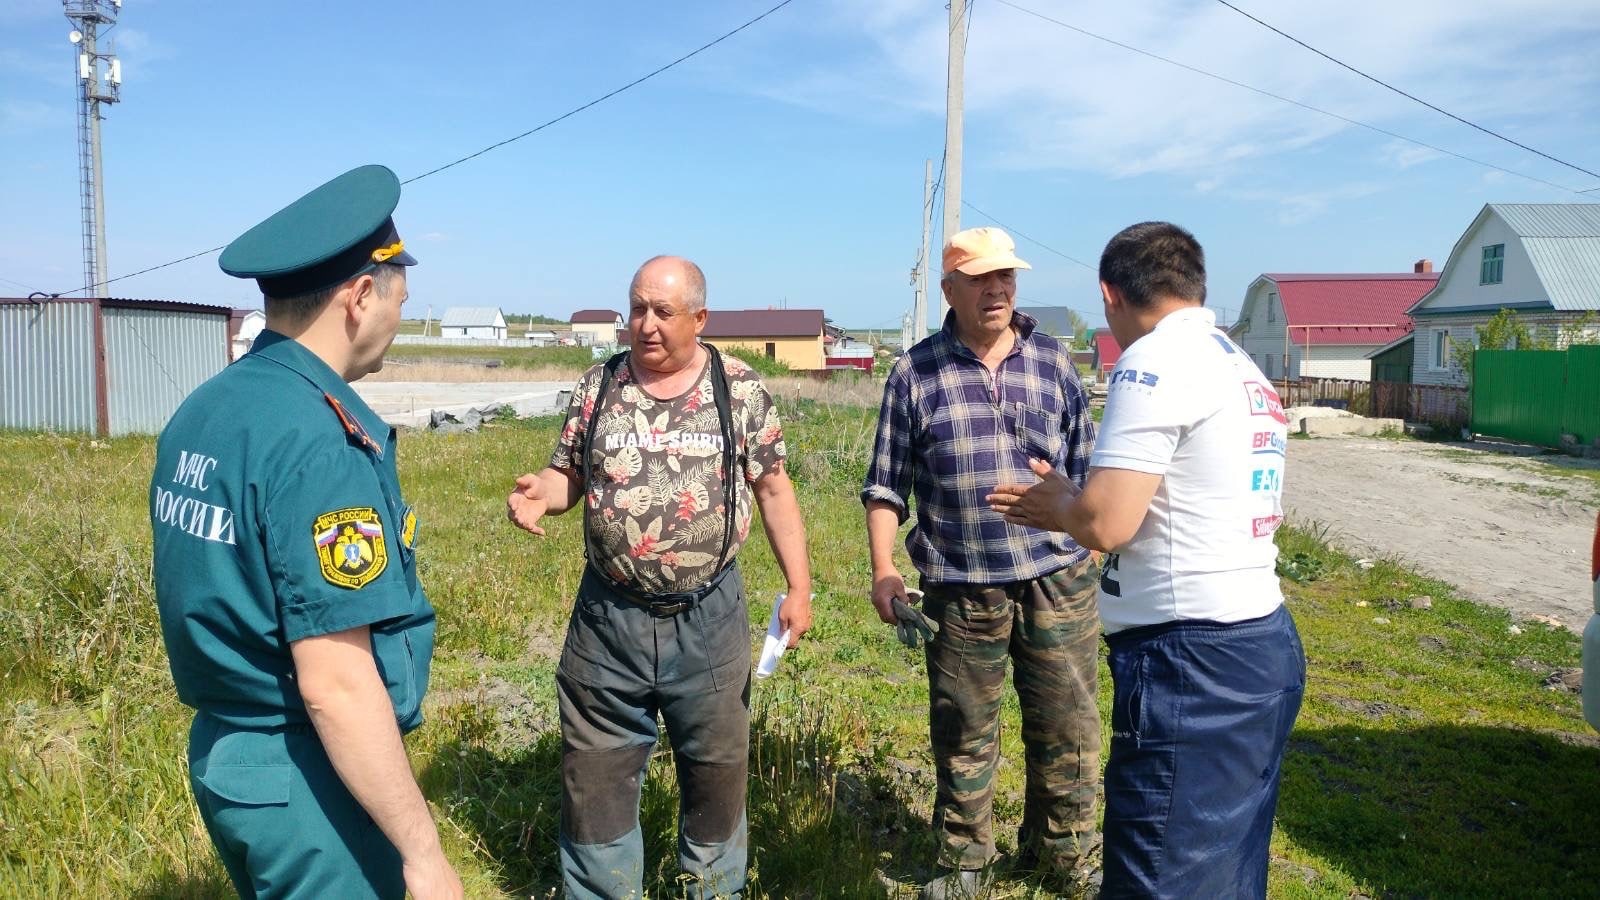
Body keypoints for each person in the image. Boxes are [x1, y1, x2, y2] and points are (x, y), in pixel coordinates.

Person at [149, 165, 461, 899]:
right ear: (359, 296)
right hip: (307, 775)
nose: (398, 319)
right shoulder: (319, 438)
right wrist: (424, 851)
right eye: (399, 301)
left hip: (229, 758)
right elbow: (337, 683)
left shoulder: (211, 406)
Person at [989, 221, 1306, 898]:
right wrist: (1079, 497)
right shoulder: (1240, 365)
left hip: (1192, 661)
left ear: (1110, 295)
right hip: (1259, 640)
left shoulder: (1153, 363)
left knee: (1159, 874)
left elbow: (1107, 522)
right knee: (1224, 868)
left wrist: (1059, 507)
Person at [506, 255, 813, 899]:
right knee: (594, 776)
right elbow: (571, 475)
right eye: (637, 308)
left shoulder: (740, 390)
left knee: (716, 773)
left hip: (708, 618)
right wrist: (544, 492)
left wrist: (800, 587)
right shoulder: (598, 387)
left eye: (663, 312)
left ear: (699, 319)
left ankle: (710, 890)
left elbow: (776, 491)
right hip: (607, 621)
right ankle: (602, 888)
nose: (645, 325)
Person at [862, 227, 1102, 898]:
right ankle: (966, 863)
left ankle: (1065, 860)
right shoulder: (916, 372)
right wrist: (884, 568)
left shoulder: (1054, 362)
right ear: (950, 290)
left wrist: (1092, 532)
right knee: (964, 731)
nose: (997, 289)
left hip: (1058, 580)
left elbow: (1088, 468)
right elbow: (886, 484)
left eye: (1007, 278)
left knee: (1070, 728)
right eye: (981, 278)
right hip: (962, 588)